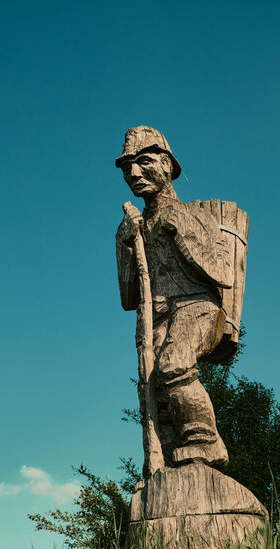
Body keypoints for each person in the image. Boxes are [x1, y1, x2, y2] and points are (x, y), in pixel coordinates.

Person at [116, 126, 233, 468]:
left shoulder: (195, 213)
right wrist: (126, 241)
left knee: (174, 362)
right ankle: (168, 453)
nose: (134, 173)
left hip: (197, 305)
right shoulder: (132, 225)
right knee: (152, 387)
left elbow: (223, 273)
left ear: (166, 164)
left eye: (143, 162)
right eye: (127, 168)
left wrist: (179, 228)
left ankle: (204, 441)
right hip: (158, 315)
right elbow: (128, 297)